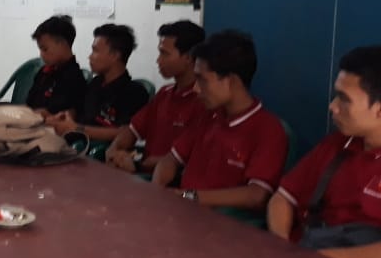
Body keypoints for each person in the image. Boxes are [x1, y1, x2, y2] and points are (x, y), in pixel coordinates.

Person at [267, 45, 381, 258]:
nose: (333, 107)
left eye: (344, 99)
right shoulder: (336, 145)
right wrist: (281, 245)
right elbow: (282, 198)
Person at [153, 30, 288, 210]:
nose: (196, 89)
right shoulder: (208, 116)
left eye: (202, 80)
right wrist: (157, 191)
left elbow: (256, 195)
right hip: (182, 211)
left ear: (231, 81)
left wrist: (189, 196)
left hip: (220, 221)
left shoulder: (268, 129)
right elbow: (170, 159)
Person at [105, 20, 205, 174]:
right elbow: (132, 130)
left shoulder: (203, 101)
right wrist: (114, 149)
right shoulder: (165, 93)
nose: (158, 60)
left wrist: (137, 165)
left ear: (188, 58)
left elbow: (185, 158)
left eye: (164, 53)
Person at [47, 23, 150, 145]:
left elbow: (125, 132)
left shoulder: (134, 93)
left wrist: (77, 128)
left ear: (115, 55)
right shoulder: (95, 83)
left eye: (95, 51)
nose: (90, 57)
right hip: (72, 143)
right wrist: (65, 116)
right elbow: (80, 112)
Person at [26, 15, 86, 118]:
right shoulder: (44, 73)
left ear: (63, 44)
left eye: (45, 49)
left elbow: (58, 114)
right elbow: (29, 104)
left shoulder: (74, 78)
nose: (41, 54)